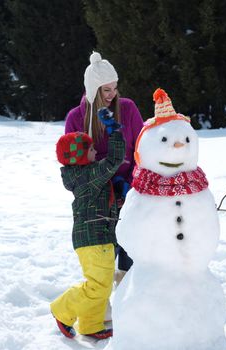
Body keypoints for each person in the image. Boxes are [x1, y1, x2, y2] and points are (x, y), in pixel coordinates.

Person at [65, 51, 144, 276]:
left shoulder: (127, 109)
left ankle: (129, 301)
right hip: (97, 200)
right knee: (103, 262)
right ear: (93, 90)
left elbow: (141, 151)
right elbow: (75, 168)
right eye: (106, 90)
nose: (113, 94)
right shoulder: (75, 119)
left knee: (132, 255)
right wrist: (105, 186)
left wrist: (130, 183)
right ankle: (101, 304)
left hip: (129, 193)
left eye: (115, 88)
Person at [51, 109, 125, 339]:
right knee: (97, 286)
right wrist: (114, 132)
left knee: (99, 285)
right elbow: (114, 160)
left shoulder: (83, 176)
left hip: (95, 238)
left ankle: (91, 326)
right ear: (79, 157)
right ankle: (62, 311)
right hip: (95, 239)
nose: (96, 152)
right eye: (91, 149)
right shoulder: (89, 175)